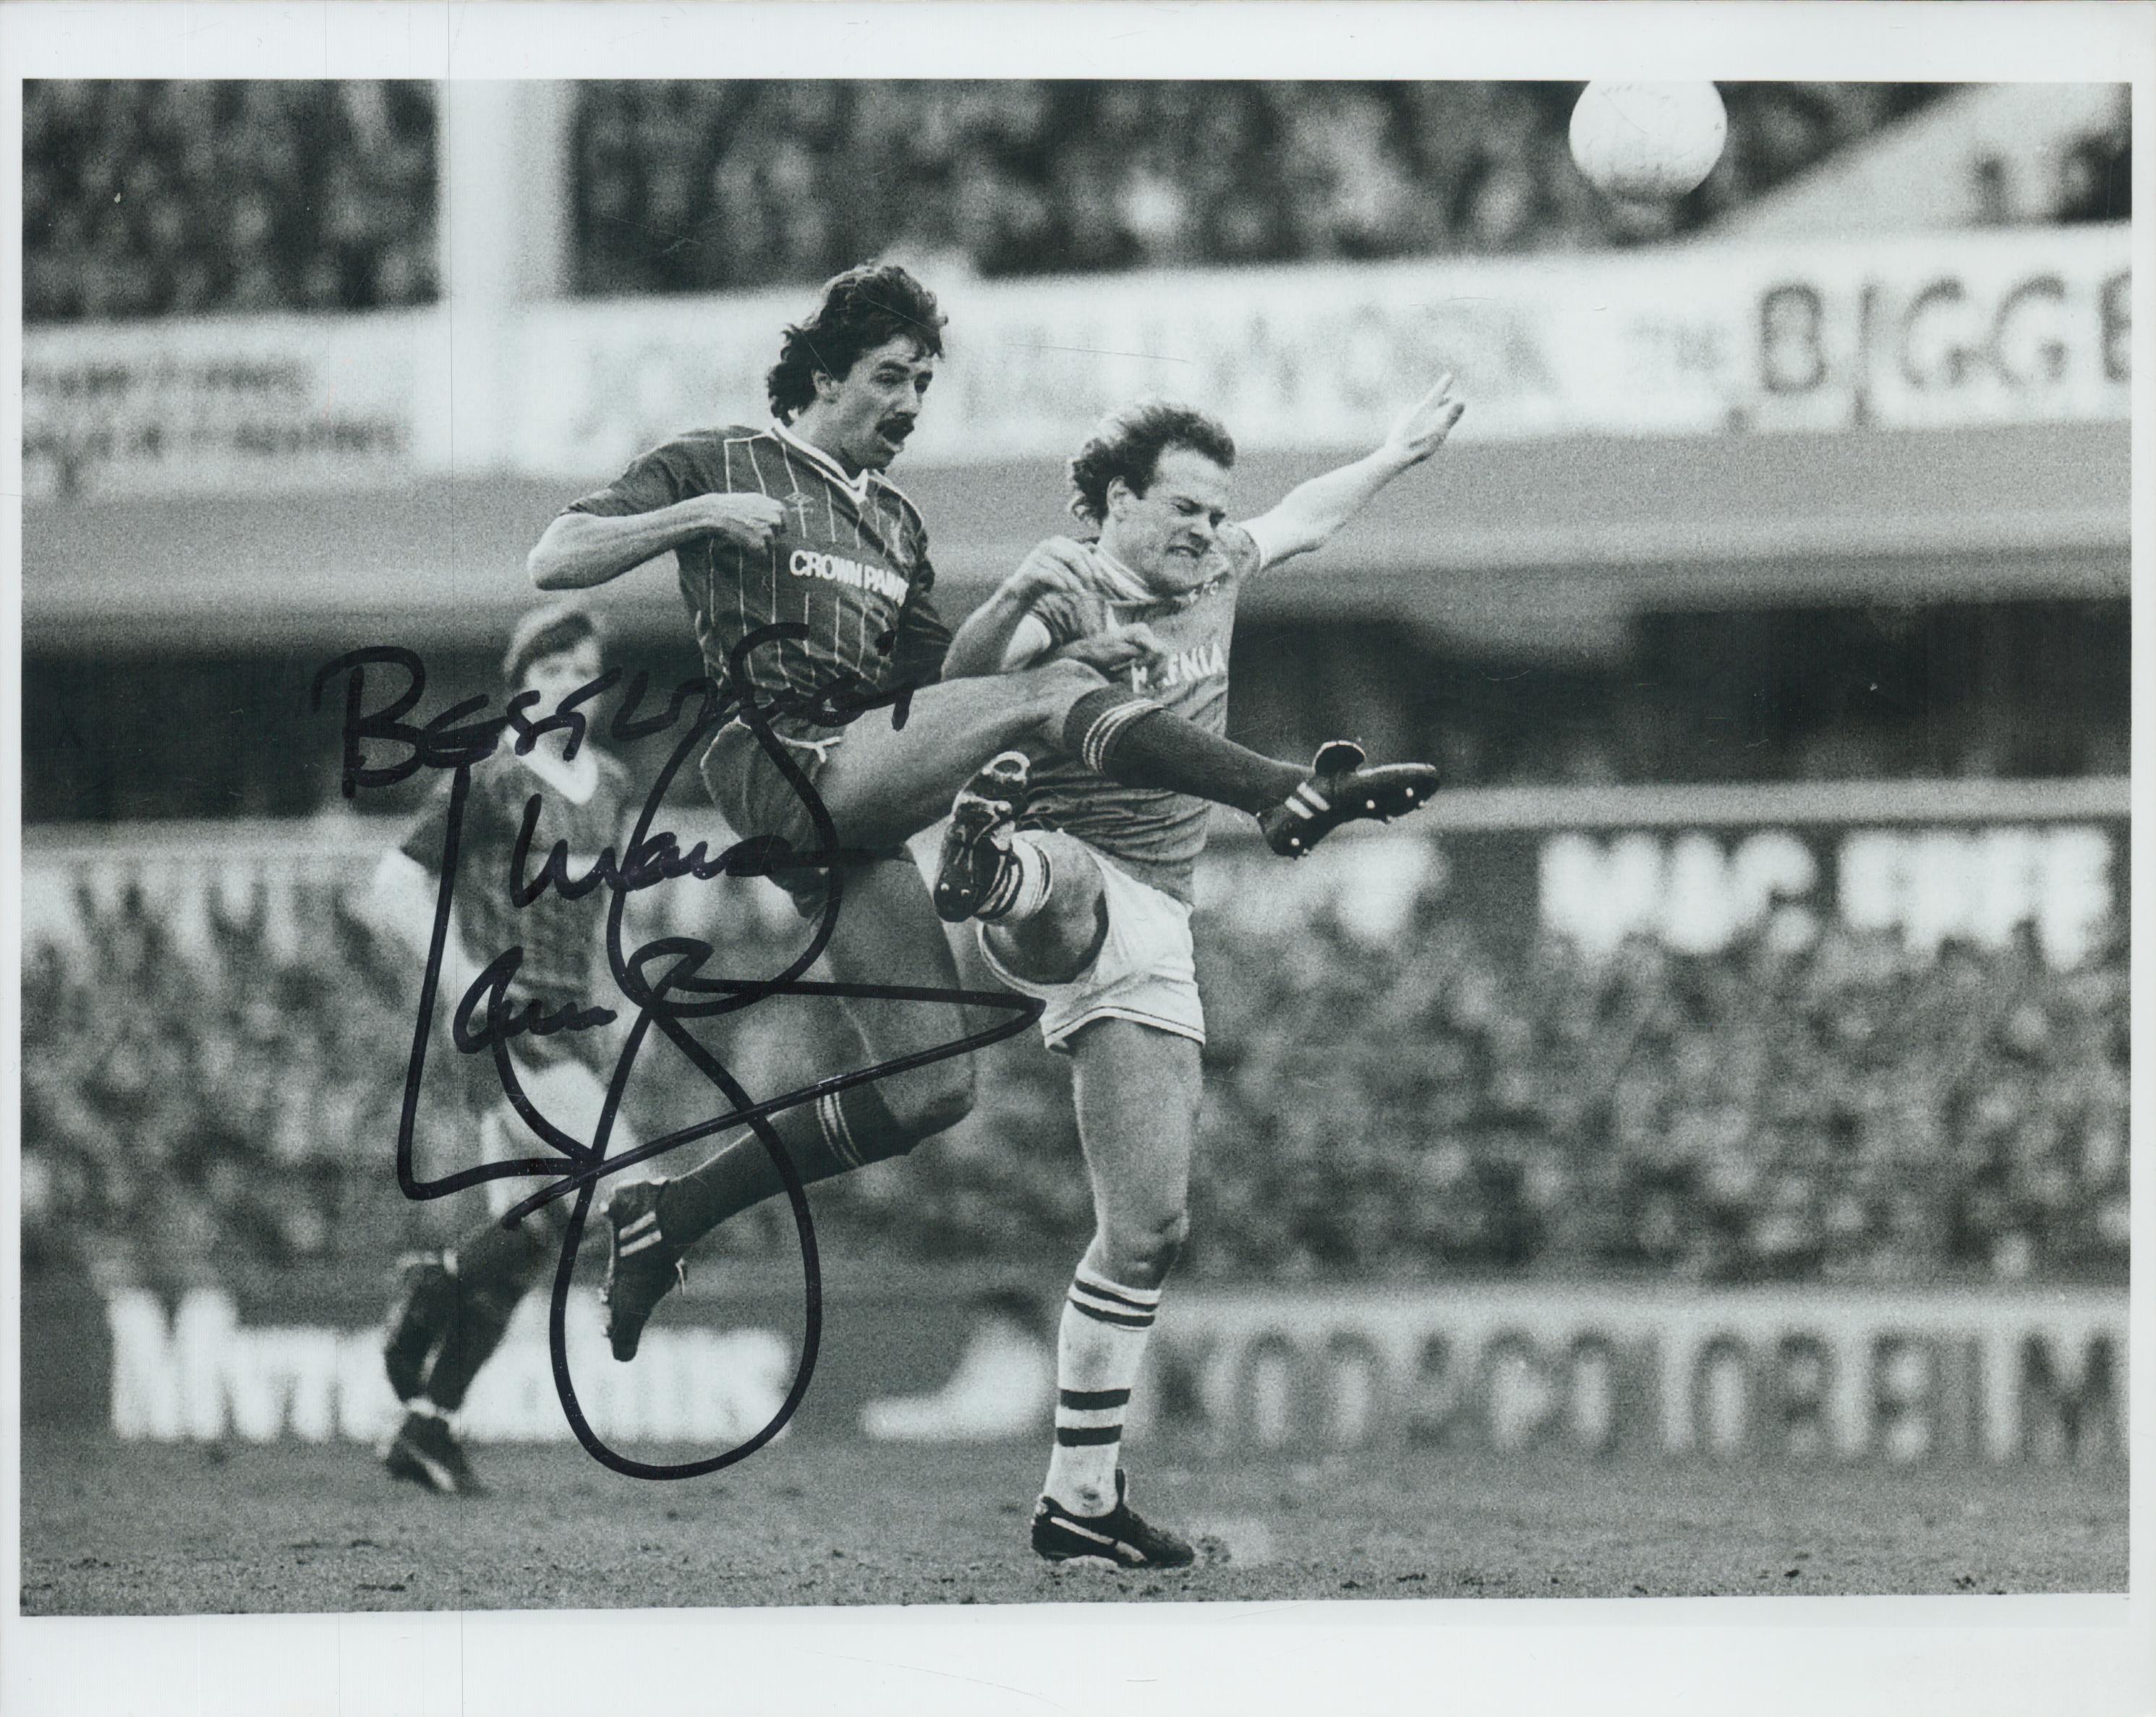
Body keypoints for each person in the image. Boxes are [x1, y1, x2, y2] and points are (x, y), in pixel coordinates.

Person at [524, 262, 1441, 1365]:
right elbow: (555, 555)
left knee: (930, 1089)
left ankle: (669, 1215)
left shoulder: (897, 524)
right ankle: (1283, 793)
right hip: (776, 760)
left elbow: (946, 680)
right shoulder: (724, 459)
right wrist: (698, 516)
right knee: (1042, 702)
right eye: (891, 377)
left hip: (858, 782)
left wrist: (1044, 643)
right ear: (823, 372)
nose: (911, 403)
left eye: (923, 381)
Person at [930, 380, 1466, 1567]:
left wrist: (1392, 451)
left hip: (1161, 919)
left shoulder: (1216, 562)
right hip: (1068, 875)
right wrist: (1024, 643)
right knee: (1058, 884)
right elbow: (963, 675)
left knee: (1149, 1224)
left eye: (1215, 510)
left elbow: (1306, 516)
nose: (1205, 529)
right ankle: (992, 864)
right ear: (1117, 502)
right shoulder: (1064, 578)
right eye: (1182, 506)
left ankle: (1078, 1496)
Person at [374, 602, 642, 1495]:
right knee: (624, 1182)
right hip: (510, 1020)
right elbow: (396, 882)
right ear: (523, 679)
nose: (573, 683)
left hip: (574, 1023)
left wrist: (622, 997)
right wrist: (463, 979)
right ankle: (438, 1282)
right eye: (555, 668)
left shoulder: (609, 782)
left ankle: (427, 1423)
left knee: (526, 1245)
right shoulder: (490, 777)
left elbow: (604, 916)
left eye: (586, 669)